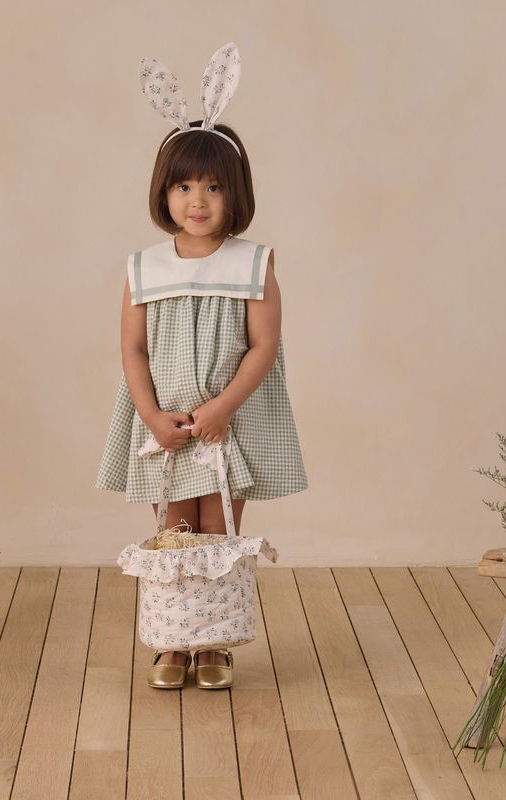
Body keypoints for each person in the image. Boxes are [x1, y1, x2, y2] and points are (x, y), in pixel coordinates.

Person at [96, 43, 308, 689]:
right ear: (164, 191)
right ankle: (172, 643)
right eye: (185, 185)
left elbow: (264, 347)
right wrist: (152, 415)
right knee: (174, 529)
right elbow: (133, 348)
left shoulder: (251, 264)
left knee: (217, 529)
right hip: (167, 424)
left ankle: (213, 643)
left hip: (225, 422)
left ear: (235, 193)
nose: (198, 199)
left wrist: (221, 409)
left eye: (214, 187)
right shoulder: (144, 269)